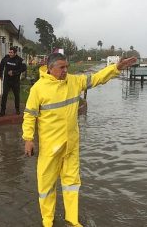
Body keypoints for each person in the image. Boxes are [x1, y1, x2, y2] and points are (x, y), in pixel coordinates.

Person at [22, 53, 137, 227]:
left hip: (71, 145)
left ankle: (72, 218)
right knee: (46, 185)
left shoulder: (74, 82)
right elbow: (30, 115)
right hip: (50, 147)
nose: (65, 70)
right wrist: (28, 139)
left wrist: (116, 68)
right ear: (50, 68)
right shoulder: (38, 88)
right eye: (62, 67)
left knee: (71, 183)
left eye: (67, 66)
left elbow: (96, 78)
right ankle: (47, 219)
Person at [0, 46, 26, 116]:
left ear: (15, 53)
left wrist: (14, 72)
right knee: (4, 95)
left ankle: (17, 110)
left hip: (15, 81)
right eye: (9, 52)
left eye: (11, 53)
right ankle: (2, 111)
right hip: (7, 81)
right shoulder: (6, 58)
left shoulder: (19, 60)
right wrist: (0, 74)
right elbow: (1, 65)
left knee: (16, 96)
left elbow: (24, 68)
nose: (10, 54)